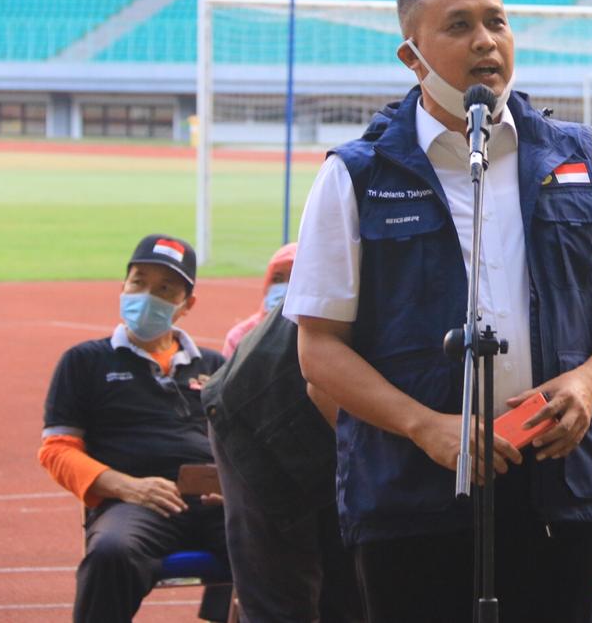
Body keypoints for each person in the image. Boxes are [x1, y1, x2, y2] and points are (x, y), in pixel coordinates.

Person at [285, 0, 592, 623]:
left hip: (557, 488)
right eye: (459, 26)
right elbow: (318, 349)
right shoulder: (357, 175)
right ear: (412, 55)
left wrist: (588, 382)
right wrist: (426, 426)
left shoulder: (573, 159)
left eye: (497, 22)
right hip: (414, 495)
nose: (486, 40)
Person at [38, 234, 230, 622]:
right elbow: (57, 450)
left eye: (165, 289)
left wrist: (238, 490)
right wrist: (129, 487)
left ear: (187, 305)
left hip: (218, 504)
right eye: (138, 283)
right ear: (122, 287)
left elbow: (246, 443)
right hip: (133, 503)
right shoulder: (84, 361)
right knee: (111, 553)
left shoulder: (216, 365)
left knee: (284, 543)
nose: (147, 296)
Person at [204, 275, 364, 622]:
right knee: (282, 606)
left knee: (353, 595)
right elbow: (321, 377)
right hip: (262, 412)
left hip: (342, 421)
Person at [222, 241, 295, 358]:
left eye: (292, 279)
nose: (284, 286)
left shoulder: (318, 339)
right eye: (277, 279)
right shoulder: (240, 336)